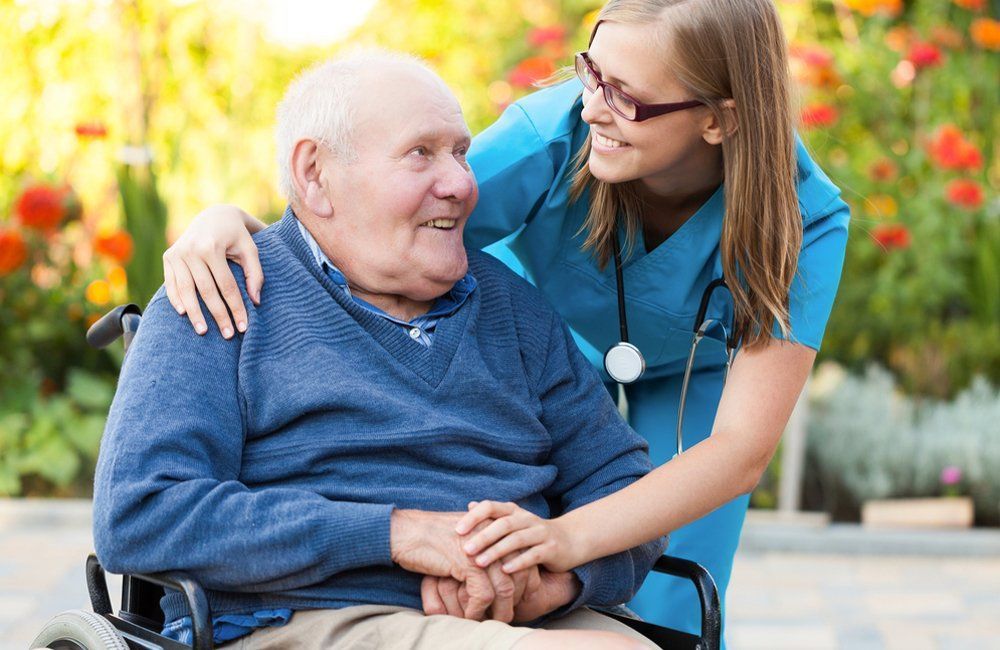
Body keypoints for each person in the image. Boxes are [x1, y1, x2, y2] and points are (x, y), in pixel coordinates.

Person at [159, 0, 850, 643]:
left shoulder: (805, 220)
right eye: (591, 72)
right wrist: (231, 221)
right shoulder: (551, 137)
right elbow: (366, 223)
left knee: (674, 606)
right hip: (550, 347)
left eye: (625, 96)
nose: (592, 106)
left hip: (693, 373)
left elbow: (739, 449)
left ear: (719, 120)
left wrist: (567, 550)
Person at [93, 51, 668, 650]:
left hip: (527, 618)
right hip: (307, 617)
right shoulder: (219, 296)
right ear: (315, 173)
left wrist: (559, 581)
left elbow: (626, 488)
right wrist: (398, 535)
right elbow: (141, 512)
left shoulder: (514, 308)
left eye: (460, 153)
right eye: (421, 152)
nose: (461, 183)